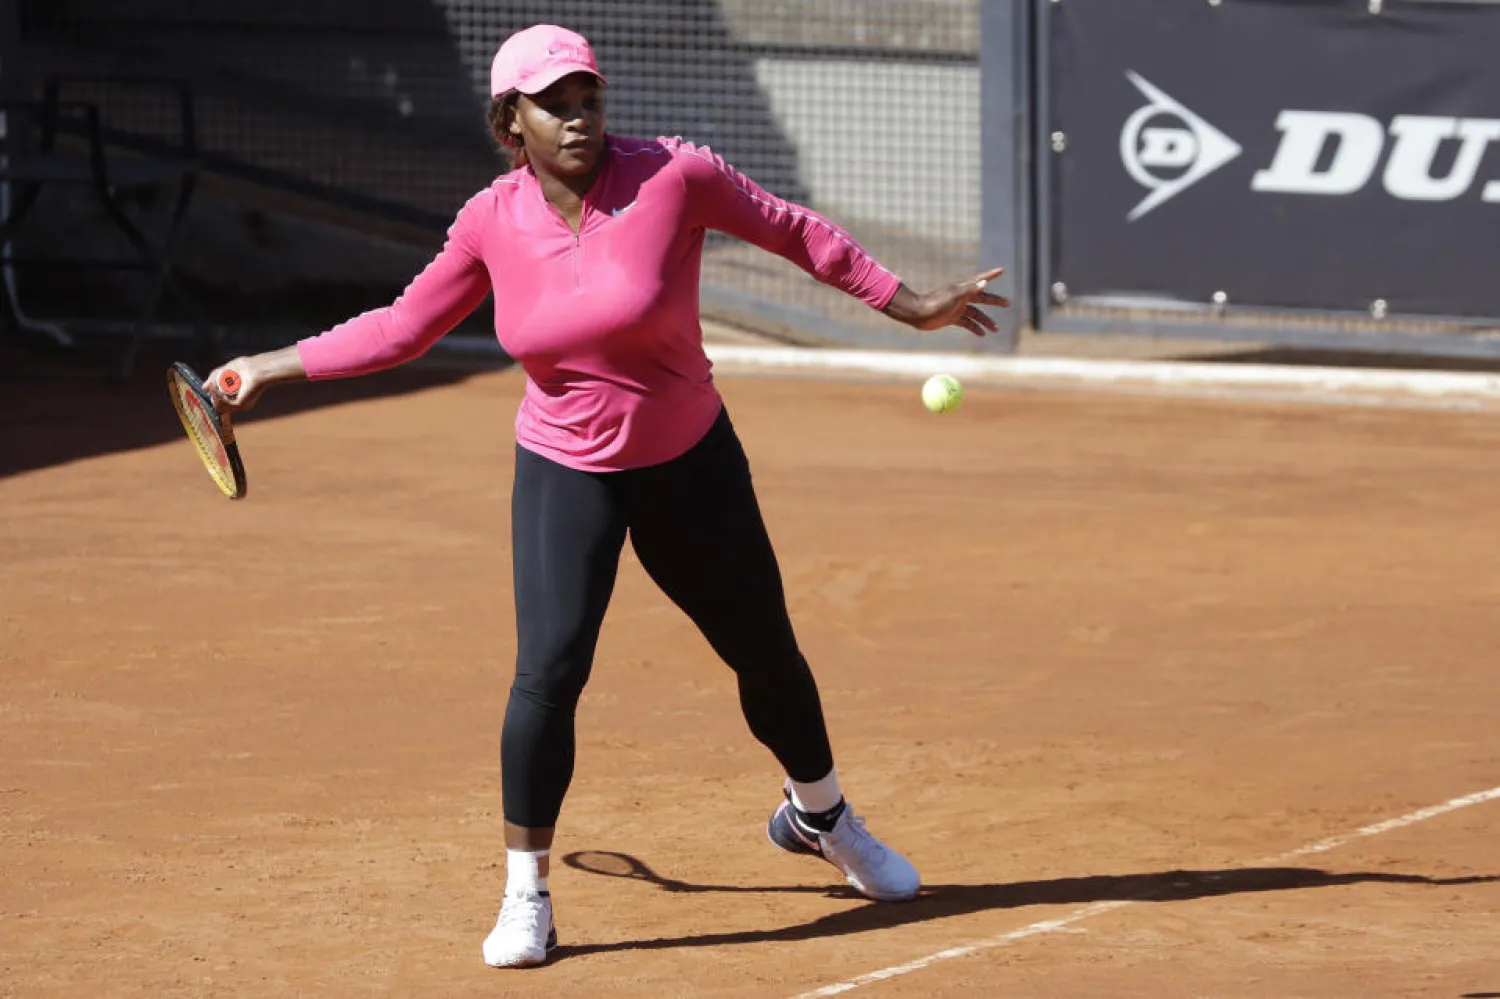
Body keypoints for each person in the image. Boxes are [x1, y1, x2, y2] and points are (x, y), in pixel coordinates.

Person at [205, 23, 1010, 969]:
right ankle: (527, 895)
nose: (579, 116)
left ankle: (823, 817)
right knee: (548, 672)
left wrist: (909, 303)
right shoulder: (489, 222)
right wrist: (268, 366)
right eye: (555, 103)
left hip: (689, 461)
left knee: (765, 651)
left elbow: (794, 230)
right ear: (513, 121)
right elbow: (402, 327)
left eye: (589, 97)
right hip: (566, 472)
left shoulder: (677, 176)